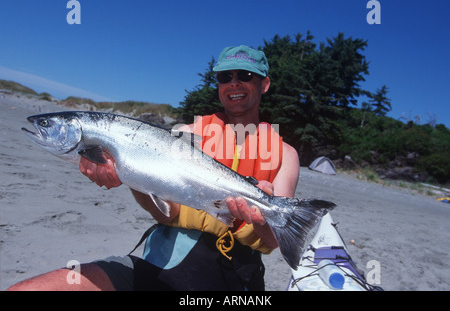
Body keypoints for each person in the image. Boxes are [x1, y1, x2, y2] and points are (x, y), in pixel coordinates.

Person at [8, 45, 300, 291]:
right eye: (226, 76)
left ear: (264, 83)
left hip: (236, 277)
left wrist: (261, 218)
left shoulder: (285, 155)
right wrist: (128, 176)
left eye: (245, 76)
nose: (234, 83)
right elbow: (165, 211)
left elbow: (275, 240)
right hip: (159, 262)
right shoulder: (187, 133)